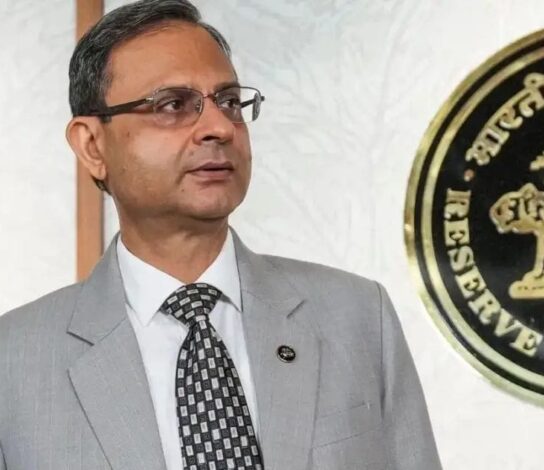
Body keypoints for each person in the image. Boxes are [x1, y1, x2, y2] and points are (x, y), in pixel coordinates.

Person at [0, 1, 442, 469]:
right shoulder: (14, 360)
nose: (218, 128)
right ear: (92, 145)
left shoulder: (357, 316)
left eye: (229, 102)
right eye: (173, 105)